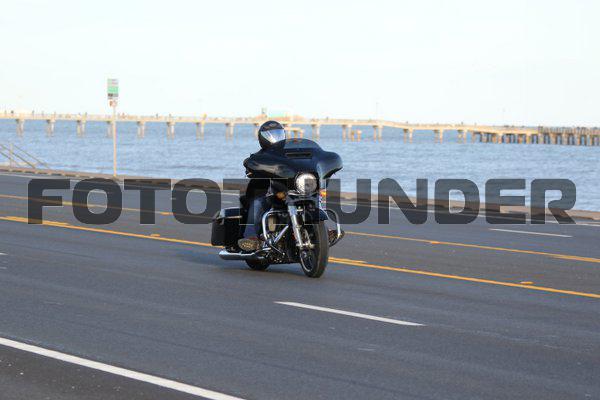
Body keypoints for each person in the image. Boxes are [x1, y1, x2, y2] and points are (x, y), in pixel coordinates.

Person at [238, 121, 286, 252]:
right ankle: (250, 237)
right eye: (272, 134)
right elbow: (249, 162)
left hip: (288, 192)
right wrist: (250, 166)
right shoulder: (260, 156)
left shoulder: (288, 153)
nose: (276, 137)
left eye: (278, 133)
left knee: (311, 199)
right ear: (263, 138)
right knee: (258, 204)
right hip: (267, 194)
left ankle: (321, 231)